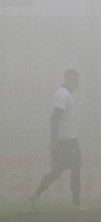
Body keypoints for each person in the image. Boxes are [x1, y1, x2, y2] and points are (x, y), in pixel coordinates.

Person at [29, 69, 85, 211]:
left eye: (77, 80)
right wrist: (53, 140)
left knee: (57, 172)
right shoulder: (63, 95)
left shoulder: (65, 95)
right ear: (66, 79)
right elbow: (55, 117)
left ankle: (36, 195)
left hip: (64, 140)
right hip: (67, 140)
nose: (76, 83)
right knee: (76, 168)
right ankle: (77, 204)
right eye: (74, 80)